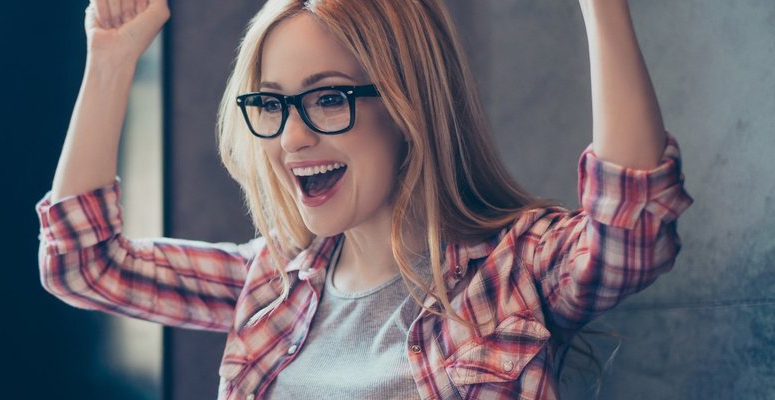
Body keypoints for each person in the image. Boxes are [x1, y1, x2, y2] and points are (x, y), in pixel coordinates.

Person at [36, 0, 693, 398]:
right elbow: (84, 264)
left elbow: (631, 232)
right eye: (271, 103)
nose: (292, 137)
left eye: (328, 98)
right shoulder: (267, 282)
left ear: (407, 106)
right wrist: (112, 57)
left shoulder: (514, 270)